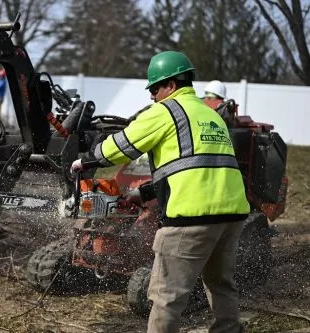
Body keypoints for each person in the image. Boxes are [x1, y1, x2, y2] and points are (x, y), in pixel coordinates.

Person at [70, 51, 250, 333]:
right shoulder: (211, 116)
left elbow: (121, 146)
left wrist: (86, 160)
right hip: (232, 215)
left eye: (154, 88)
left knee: (166, 297)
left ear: (172, 84)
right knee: (221, 284)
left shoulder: (165, 111)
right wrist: (143, 194)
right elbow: (195, 167)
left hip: (191, 219)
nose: (152, 96)